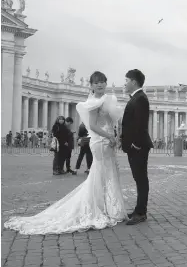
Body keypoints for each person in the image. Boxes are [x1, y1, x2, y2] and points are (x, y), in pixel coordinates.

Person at [4, 71, 127, 234]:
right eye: (96, 82)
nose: (100, 84)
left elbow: (112, 122)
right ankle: (99, 208)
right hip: (100, 141)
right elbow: (93, 125)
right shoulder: (92, 103)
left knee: (110, 173)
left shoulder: (109, 100)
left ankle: (111, 207)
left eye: (103, 81)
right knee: (100, 173)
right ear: (91, 85)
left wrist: (115, 135)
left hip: (109, 141)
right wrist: (109, 135)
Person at [121, 69, 153, 225]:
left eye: (126, 80)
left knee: (141, 179)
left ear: (134, 82)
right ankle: (138, 209)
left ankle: (141, 212)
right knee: (138, 179)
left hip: (138, 147)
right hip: (134, 146)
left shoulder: (140, 99)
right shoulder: (137, 98)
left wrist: (135, 145)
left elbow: (140, 125)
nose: (125, 83)